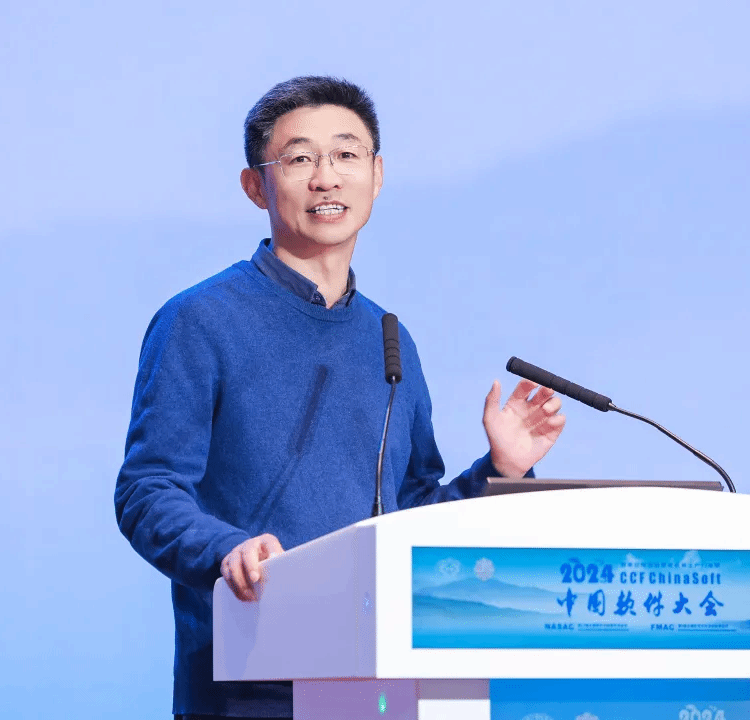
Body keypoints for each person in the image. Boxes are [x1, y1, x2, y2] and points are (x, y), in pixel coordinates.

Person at [114, 76, 566, 719]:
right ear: (255, 186)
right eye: (299, 158)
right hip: (249, 689)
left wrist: (502, 471)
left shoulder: (390, 339)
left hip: (385, 692)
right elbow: (147, 490)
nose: (327, 178)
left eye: (346, 155)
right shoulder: (200, 320)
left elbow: (411, 514)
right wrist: (225, 550)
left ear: (376, 175)